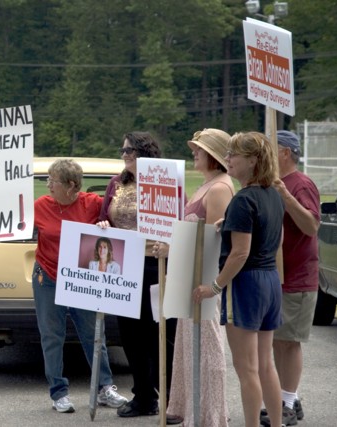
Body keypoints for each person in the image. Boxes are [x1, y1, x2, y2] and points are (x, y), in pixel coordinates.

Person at [192, 131, 285, 427]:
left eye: (234, 155)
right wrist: (228, 221)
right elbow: (272, 239)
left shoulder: (244, 199)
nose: (228, 159)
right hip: (270, 279)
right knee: (265, 364)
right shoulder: (272, 194)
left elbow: (239, 254)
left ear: (253, 161)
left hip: (246, 284)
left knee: (246, 369)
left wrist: (214, 286)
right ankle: (277, 423)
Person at [32, 159, 127, 413]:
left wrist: (105, 225)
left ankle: (104, 387)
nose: (48, 185)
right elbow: (13, 225)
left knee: (94, 333)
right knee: (52, 335)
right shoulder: (40, 206)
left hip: (81, 278)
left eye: (53, 181)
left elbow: (114, 227)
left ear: (71, 186)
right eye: (48, 180)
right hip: (48, 276)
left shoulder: (93, 204)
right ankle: (58, 393)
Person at [97, 131, 177, 418]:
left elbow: (181, 219)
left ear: (146, 154)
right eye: (123, 151)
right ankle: (143, 396)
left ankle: (170, 398)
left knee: (160, 334)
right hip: (124, 265)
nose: (125, 155)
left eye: (130, 150)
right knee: (130, 336)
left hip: (157, 265)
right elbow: (104, 214)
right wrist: (103, 223)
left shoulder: (166, 182)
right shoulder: (116, 183)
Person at [166, 129, 234, 427]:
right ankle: (192, 408)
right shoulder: (206, 185)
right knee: (191, 347)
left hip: (204, 280)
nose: (194, 152)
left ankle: (209, 415)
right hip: (188, 278)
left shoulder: (220, 188)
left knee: (208, 348)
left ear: (215, 156)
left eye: (200, 149)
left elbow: (215, 241)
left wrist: (208, 283)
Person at [260, 131, 320, 427]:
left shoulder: (300, 184)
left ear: (285, 152)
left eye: (271, 148)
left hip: (297, 277)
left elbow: (310, 226)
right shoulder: (274, 183)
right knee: (278, 342)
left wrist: (285, 196)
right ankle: (287, 398)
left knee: (289, 342)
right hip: (277, 275)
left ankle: (287, 400)